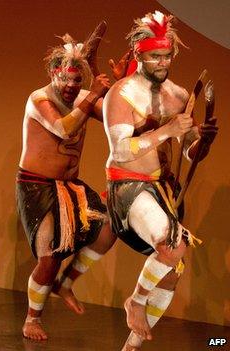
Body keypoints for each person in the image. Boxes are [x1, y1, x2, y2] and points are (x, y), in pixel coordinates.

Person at [102, 11, 218, 350]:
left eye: (166, 55)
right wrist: (167, 130)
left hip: (158, 189)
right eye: (155, 55)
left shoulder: (179, 97)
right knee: (173, 243)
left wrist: (203, 141)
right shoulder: (120, 94)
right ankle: (136, 301)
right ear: (139, 54)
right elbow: (121, 151)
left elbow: (189, 153)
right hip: (126, 184)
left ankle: (132, 346)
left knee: (171, 271)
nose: (162, 62)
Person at [16, 33, 116, 340]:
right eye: (65, 79)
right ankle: (32, 319)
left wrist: (118, 88)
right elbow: (63, 128)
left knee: (109, 229)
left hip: (70, 185)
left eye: (76, 80)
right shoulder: (40, 98)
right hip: (37, 186)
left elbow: (116, 119)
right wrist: (93, 94)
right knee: (50, 258)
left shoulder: (84, 96)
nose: (71, 86)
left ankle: (67, 283)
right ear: (52, 73)